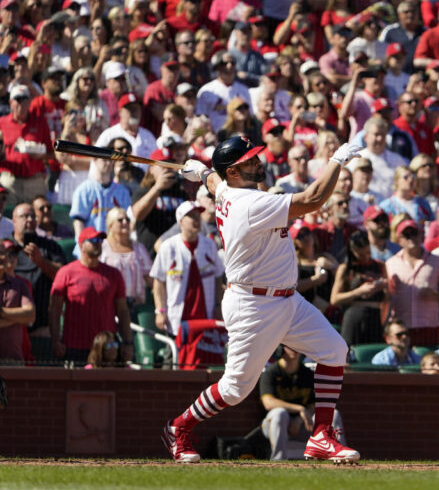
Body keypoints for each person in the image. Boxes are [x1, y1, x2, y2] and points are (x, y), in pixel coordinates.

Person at [169, 136, 362, 463]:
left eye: (256, 157)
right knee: (234, 390)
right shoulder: (249, 203)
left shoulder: (229, 188)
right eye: (250, 160)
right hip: (253, 305)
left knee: (334, 350)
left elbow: (216, 183)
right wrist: (339, 159)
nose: (259, 162)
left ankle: (321, 436)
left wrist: (203, 173)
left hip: (287, 299)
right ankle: (180, 427)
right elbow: (313, 198)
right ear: (234, 171)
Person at [48, 227, 133, 365]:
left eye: (99, 240)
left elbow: (122, 311)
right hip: (74, 347)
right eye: (92, 240)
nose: (97, 243)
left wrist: (128, 342)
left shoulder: (114, 274)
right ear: (81, 245)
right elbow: (54, 310)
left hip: (106, 349)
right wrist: (56, 341)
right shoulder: (66, 273)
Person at [151, 201, 225, 340]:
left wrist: (217, 304)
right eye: (191, 216)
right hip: (178, 318)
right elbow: (158, 282)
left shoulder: (209, 244)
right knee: (175, 359)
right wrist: (160, 311)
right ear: (181, 221)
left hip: (205, 316)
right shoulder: (169, 246)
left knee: (204, 357)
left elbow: (218, 276)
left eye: (198, 215)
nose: (197, 220)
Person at [259, 344, 346, 461]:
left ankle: (339, 456)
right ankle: (278, 460)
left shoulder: (307, 374)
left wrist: (300, 419)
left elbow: (314, 405)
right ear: (281, 349)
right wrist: (300, 409)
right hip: (275, 425)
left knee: (333, 414)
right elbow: (268, 403)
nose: (294, 349)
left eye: (297, 346)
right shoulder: (271, 373)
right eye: (289, 346)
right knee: (280, 414)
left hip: (303, 423)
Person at [10, 203, 66, 363]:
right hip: (10, 328)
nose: (30, 220)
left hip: (41, 330)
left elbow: (63, 277)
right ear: (13, 220)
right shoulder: (4, 247)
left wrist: (41, 261)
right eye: (24, 216)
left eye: (33, 217)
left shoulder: (49, 246)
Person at [386, 219, 439, 346]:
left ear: (421, 235)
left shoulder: (437, 261)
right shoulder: (390, 263)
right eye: (407, 235)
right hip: (402, 329)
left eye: (414, 233)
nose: (411, 238)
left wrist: (435, 295)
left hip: (429, 326)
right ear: (399, 239)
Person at [330, 230, 388, 346]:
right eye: (361, 254)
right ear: (352, 251)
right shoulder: (346, 268)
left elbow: (388, 297)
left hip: (375, 317)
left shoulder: (380, 266)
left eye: (368, 252)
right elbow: (334, 299)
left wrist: (382, 287)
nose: (365, 257)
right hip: (354, 316)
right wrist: (359, 292)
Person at [0, 242, 34, 365]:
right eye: (3, 253)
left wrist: (2, 312)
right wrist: (17, 318)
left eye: (12, 254)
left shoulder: (21, 284)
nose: (7, 257)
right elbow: (23, 316)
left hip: (14, 357)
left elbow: (29, 316)